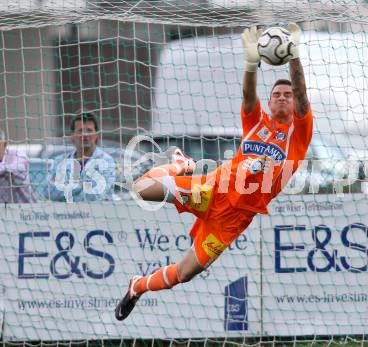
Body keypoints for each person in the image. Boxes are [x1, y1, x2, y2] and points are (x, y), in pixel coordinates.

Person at [115, 23, 313, 320]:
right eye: (277, 94)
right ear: (270, 103)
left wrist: (294, 57)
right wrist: (250, 62)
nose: (283, 97)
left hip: (233, 220)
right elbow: (248, 95)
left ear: (295, 102)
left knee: (185, 273)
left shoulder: (298, 136)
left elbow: (302, 90)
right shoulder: (256, 124)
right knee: (142, 190)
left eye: (288, 94)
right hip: (212, 190)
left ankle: (137, 286)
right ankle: (181, 164)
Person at [46, 113, 116, 202]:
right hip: (65, 214)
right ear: (72, 136)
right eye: (80, 130)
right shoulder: (59, 161)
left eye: (89, 130)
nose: (85, 134)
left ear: (96, 135)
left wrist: (67, 190)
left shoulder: (106, 161)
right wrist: (80, 186)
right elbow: (48, 191)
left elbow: (97, 195)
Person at [0, 130, 37, 203]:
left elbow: (19, 167)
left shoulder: (16, 154)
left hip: (25, 208)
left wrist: (4, 168)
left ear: (5, 144)